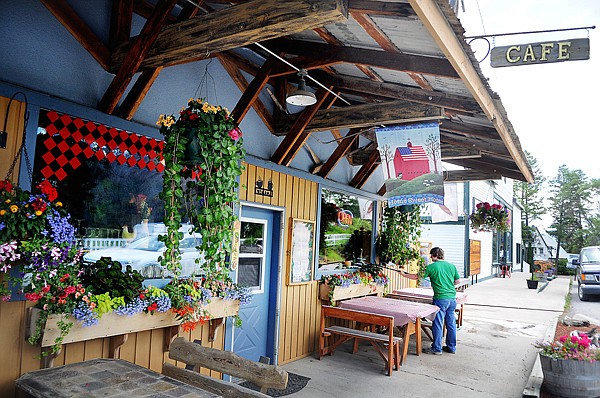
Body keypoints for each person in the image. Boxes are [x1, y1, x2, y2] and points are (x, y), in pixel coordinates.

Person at [422, 247, 461, 355]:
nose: (430, 257)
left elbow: (417, 277)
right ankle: (451, 347)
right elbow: (457, 281)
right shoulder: (451, 266)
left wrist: (403, 274)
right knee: (451, 324)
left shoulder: (431, 267)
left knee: (438, 323)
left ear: (434, 255)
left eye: (431, 255)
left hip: (440, 299)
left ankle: (437, 348)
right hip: (452, 299)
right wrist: (447, 286)